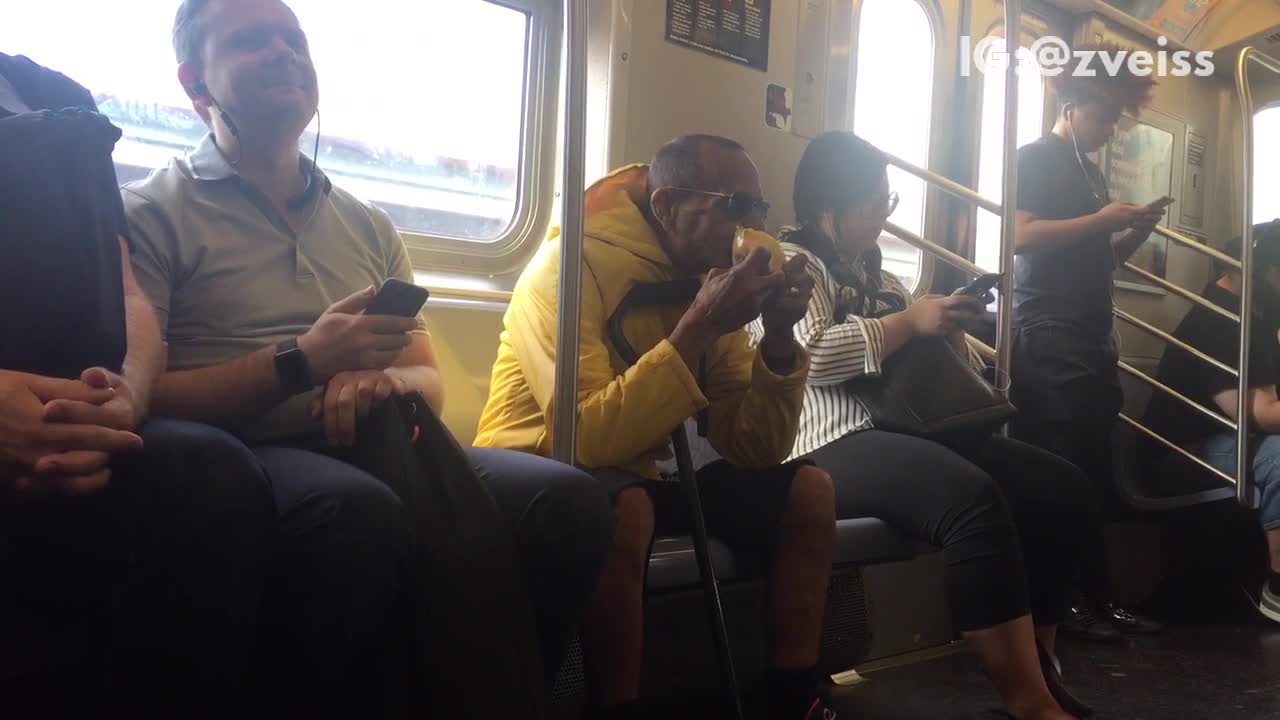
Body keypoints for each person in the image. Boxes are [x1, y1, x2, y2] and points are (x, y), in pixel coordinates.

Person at [120, 0, 612, 711]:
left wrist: (384, 384)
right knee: (352, 515)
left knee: (567, 502)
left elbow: (429, 379)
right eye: (254, 42)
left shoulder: (366, 224)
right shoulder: (149, 211)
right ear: (197, 85)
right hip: (243, 450)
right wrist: (301, 362)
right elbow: (146, 395)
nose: (286, 52)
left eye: (295, 39)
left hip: (381, 441)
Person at [475, 134, 839, 720]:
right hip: (542, 465)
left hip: (648, 472)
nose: (751, 223)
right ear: (668, 205)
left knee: (808, 491)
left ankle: (791, 698)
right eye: (735, 205)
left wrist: (775, 338)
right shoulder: (567, 267)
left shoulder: (707, 280)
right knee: (629, 507)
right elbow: (586, 436)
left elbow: (754, 445)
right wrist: (696, 326)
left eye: (759, 209)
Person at [761, 130, 1094, 720]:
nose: (882, 219)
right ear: (827, 207)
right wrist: (909, 326)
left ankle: (1043, 665)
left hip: (908, 428)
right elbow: (804, 355)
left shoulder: (880, 278)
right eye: (874, 203)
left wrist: (948, 329)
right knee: (971, 499)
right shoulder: (792, 267)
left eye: (888, 203)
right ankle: (1028, 702)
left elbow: (923, 362)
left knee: (1059, 487)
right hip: (821, 439)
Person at [0, 52, 279, 719]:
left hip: (84, 414)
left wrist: (128, 394)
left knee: (212, 481)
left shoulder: (55, 94)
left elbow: (129, 293)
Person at [1008, 42, 1166, 641]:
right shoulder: (1035, 158)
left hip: (1093, 337)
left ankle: (1098, 597)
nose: (1109, 128)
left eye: (1115, 117)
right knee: (1060, 471)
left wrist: (1131, 233)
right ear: (1070, 104)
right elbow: (1020, 238)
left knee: (1096, 472)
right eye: (1102, 115)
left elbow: (1099, 258)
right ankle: (1062, 602)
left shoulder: (1090, 172)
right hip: (1047, 334)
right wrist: (1102, 221)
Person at [1144, 221, 1280, 622]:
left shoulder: (1254, 316)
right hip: (1179, 450)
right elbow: (1260, 415)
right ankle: (1277, 585)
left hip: (1227, 440)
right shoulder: (1217, 321)